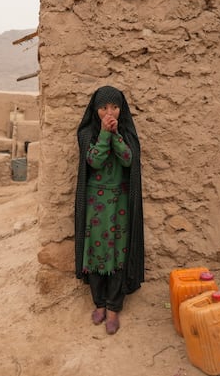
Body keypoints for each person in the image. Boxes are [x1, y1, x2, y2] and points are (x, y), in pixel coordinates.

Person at [75, 85, 145, 335]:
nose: (109, 112)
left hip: (119, 204)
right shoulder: (88, 134)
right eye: (103, 107)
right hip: (95, 203)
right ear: (95, 110)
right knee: (94, 254)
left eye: (114, 106)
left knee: (117, 253)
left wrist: (115, 136)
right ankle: (100, 304)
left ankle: (114, 308)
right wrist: (104, 135)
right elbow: (93, 160)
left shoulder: (126, 132)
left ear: (121, 108)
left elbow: (128, 159)